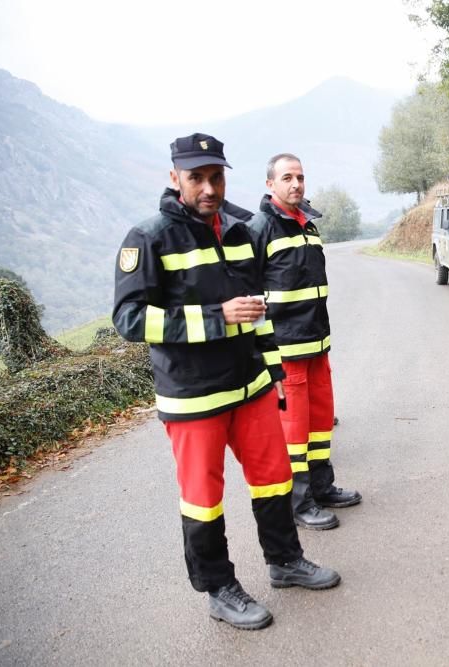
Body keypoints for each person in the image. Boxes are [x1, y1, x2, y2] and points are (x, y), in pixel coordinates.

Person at [113, 134, 340, 631]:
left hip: (251, 385)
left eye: (216, 176)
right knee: (203, 498)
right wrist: (216, 316)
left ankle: (285, 562)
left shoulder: (238, 231)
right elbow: (129, 320)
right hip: (193, 397)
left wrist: (275, 371)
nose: (208, 187)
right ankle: (219, 589)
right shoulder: (148, 237)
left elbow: (256, 311)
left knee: (276, 478)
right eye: (196, 177)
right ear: (176, 179)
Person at [248, 153, 361, 532]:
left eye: (299, 177)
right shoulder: (260, 228)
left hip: (317, 345)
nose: (295, 184)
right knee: (293, 431)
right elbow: (247, 293)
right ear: (270, 184)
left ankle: (322, 487)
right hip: (286, 350)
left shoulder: (308, 225)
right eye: (287, 178)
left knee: (318, 424)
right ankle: (299, 502)